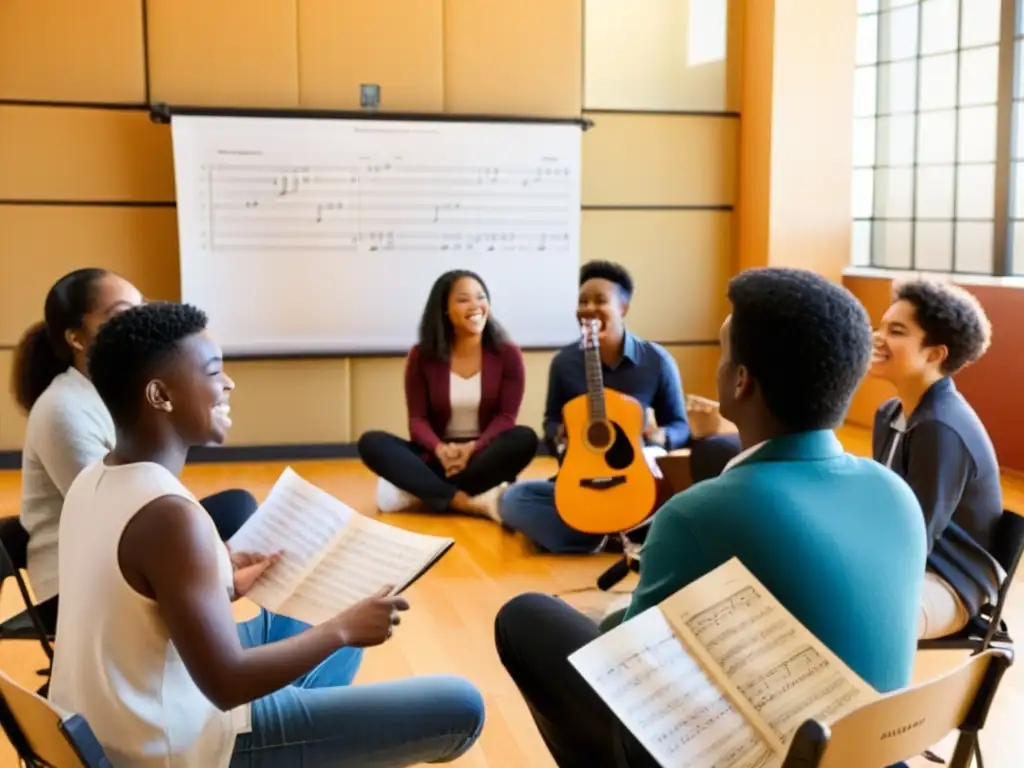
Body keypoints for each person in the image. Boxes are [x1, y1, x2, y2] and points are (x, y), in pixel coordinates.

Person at [493, 267, 926, 767]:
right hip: (875, 754)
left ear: (741, 381)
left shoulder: (703, 513)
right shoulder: (895, 493)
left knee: (526, 616)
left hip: (759, 754)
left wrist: (610, 618)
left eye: (723, 356)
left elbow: (627, 660)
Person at [48, 301, 485, 767]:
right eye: (213, 372)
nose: (229, 383)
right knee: (461, 706)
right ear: (160, 396)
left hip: (122, 725)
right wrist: (343, 631)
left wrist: (220, 582)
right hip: (180, 748)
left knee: (325, 605)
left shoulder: (93, 480)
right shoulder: (170, 516)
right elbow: (227, 684)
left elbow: (136, 606)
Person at [11, 268, 257, 634]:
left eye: (141, 306)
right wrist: (216, 568)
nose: (140, 319)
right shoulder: (62, 408)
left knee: (233, 508)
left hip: (119, 546)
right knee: (198, 525)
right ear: (77, 339)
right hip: (79, 583)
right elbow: (113, 517)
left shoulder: (108, 393)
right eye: (124, 311)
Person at [497, 260, 689, 554]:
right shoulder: (565, 363)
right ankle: (607, 536)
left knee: (684, 502)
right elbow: (549, 423)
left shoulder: (656, 360)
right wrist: (559, 431)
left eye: (600, 300)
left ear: (623, 307)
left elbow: (680, 425)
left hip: (636, 479)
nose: (588, 308)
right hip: (580, 481)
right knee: (513, 499)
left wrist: (659, 436)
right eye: (582, 301)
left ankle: (591, 532)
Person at [870, 279, 1004, 640]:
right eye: (880, 326)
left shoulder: (941, 428)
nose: (877, 337)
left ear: (934, 354)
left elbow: (916, 537)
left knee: (847, 616)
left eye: (895, 331)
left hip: (949, 582)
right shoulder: (889, 414)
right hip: (911, 563)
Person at [358, 269, 538, 519]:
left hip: (483, 458)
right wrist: (441, 450)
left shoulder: (508, 354)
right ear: (444, 309)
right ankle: (463, 500)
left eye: (481, 297)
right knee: (372, 442)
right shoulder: (422, 356)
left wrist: (473, 448)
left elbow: (506, 418)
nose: (475, 306)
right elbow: (417, 420)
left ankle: (425, 492)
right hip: (436, 459)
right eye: (463, 299)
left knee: (524, 438)